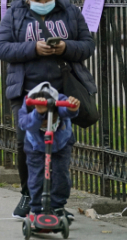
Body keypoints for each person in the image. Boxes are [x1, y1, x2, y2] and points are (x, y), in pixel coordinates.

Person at [0, 0, 95, 219]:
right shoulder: (15, 14)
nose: (43, 3)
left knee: (60, 147)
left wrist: (65, 47)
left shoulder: (70, 11)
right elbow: (1, 47)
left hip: (60, 90)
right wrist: (33, 49)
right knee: (25, 143)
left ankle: (55, 202)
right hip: (27, 90)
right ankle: (30, 195)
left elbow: (87, 45)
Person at [18, 82, 80, 223]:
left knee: (61, 174)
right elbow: (25, 123)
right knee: (36, 176)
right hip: (36, 145)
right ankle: (38, 208)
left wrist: (73, 107)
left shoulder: (60, 99)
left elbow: (67, 111)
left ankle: (58, 206)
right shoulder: (28, 104)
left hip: (61, 142)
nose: (46, 123)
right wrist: (38, 114)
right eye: (44, 121)